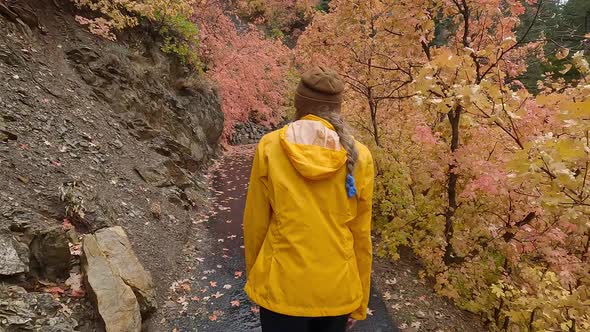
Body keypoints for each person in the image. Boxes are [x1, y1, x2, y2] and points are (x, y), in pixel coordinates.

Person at [243, 66, 375, 332]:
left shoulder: (270, 147)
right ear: (337, 108)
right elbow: (361, 235)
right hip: (337, 291)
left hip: (281, 288)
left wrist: (258, 281)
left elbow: (256, 224)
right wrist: (359, 301)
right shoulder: (360, 156)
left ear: (299, 104)